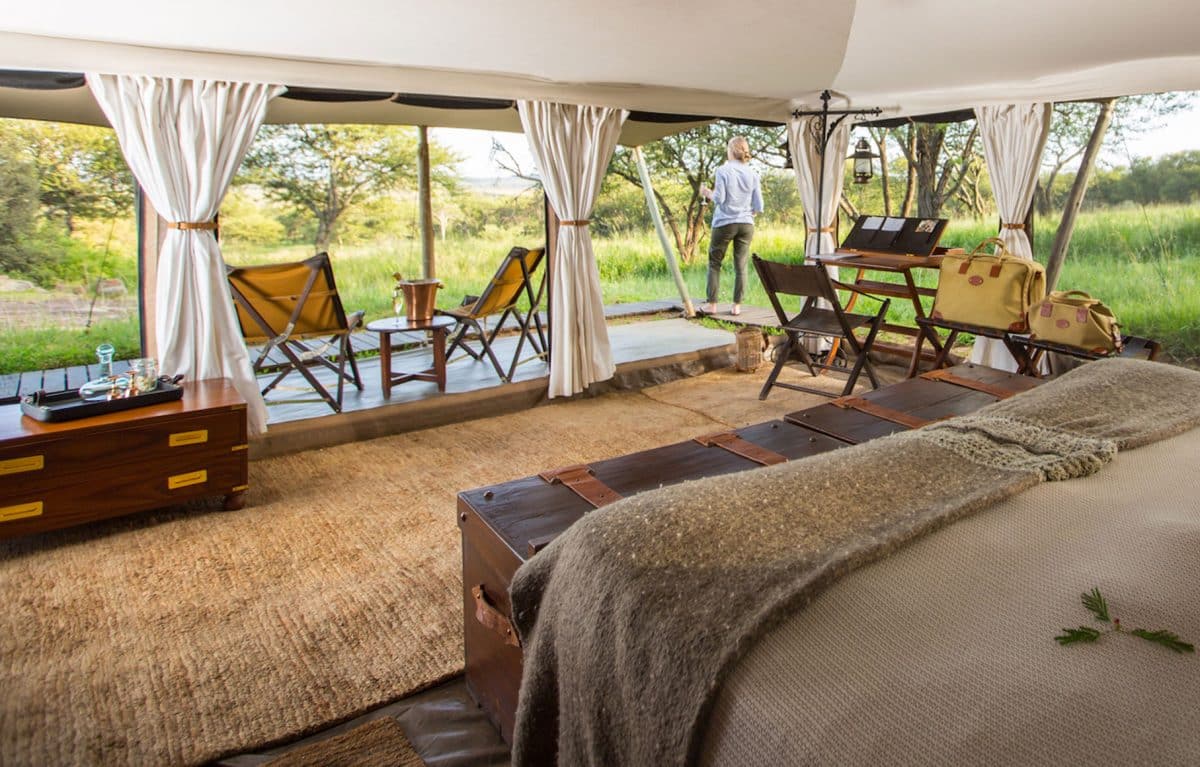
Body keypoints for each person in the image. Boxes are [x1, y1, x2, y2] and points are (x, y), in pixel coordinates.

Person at [699, 136, 763, 316]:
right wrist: (751, 212)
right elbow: (759, 205)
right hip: (746, 225)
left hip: (725, 223)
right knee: (741, 265)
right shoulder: (753, 173)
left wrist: (707, 192)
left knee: (714, 263)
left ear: (731, 151)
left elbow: (720, 198)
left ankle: (712, 305)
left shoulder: (723, 170)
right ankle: (737, 306)